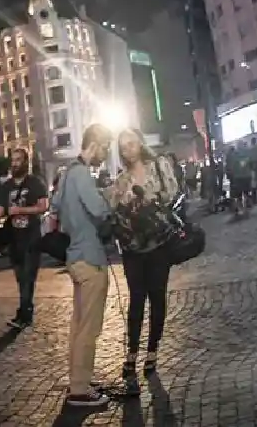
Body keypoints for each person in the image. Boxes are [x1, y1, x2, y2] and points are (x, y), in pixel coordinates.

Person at [106, 128, 180, 394]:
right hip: (133, 248)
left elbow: (172, 193)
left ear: (140, 141)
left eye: (131, 142)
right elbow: (113, 209)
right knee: (136, 298)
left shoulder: (158, 167)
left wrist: (151, 199)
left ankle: (152, 351)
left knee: (157, 296)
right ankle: (131, 356)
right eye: (123, 146)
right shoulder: (121, 180)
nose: (128, 148)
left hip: (159, 244)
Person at [52, 123, 113, 408]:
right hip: (90, 257)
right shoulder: (82, 175)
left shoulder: (65, 174)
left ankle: (79, 379)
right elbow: (99, 211)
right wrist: (108, 197)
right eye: (106, 147)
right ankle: (79, 390)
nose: (106, 153)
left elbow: (55, 208)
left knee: (79, 326)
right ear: (96, 144)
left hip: (74, 256)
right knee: (89, 327)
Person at [0, 147, 49, 329]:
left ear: (26, 162)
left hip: (31, 238)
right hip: (14, 239)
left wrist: (21, 210)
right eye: (13, 160)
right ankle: (25, 310)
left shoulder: (35, 183)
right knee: (20, 278)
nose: (15, 163)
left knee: (27, 278)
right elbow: (0, 207)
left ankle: (24, 314)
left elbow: (43, 206)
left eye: (18, 160)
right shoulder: (7, 186)